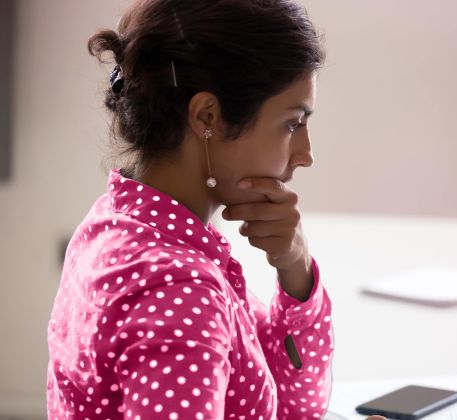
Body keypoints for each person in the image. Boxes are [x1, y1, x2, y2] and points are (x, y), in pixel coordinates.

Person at [46, 1, 384, 419]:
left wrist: (295, 267)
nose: (305, 154)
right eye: (293, 123)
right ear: (208, 116)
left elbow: (294, 405)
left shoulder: (119, 222)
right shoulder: (178, 290)